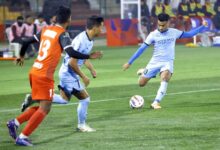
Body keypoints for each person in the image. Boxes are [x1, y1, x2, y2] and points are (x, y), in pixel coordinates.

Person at [6, 6, 102, 146]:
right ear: (69, 19)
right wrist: (89, 56)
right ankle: (23, 136)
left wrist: (21, 56)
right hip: (44, 76)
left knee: (44, 105)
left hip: (34, 71)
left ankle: (14, 123)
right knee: (45, 109)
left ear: (56, 18)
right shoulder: (62, 34)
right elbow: (71, 53)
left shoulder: (46, 30)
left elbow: (26, 41)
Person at [21, 16, 104, 132]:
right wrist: (84, 77)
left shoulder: (89, 39)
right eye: (101, 27)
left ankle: (34, 97)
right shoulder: (81, 40)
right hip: (69, 73)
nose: (102, 29)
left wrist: (92, 70)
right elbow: (72, 62)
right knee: (85, 99)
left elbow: (82, 58)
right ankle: (81, 125)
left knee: (64, 100)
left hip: (66, 72)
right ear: (95, 27)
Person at [122, 13, 208, 110]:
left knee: (165, 77)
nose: (161, 27)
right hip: (154, 62)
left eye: (163, 25)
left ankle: (156, 102)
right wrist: (129, 62)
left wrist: (202, 26)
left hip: (167, 62)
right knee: (141, 84)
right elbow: (141, 49)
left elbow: (190, 34)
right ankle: (143, 71)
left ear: (168, 23)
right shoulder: (153, 35)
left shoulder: (174, 32)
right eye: (159, 25)